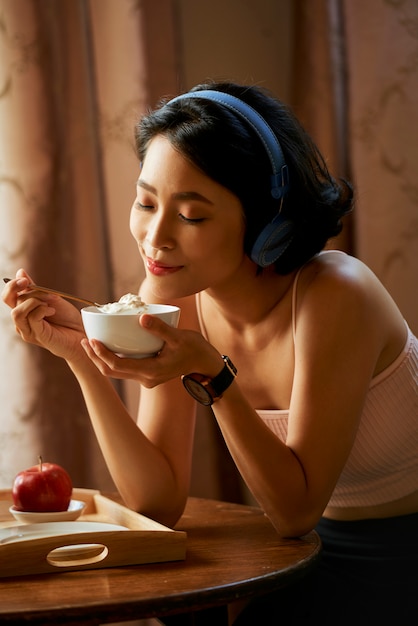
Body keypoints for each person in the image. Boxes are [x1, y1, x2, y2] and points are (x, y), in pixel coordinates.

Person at [2, 81, 417, 624]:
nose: (155, 237)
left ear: (267, 223)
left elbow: (294, 509)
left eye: (192, 216)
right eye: (146, 202)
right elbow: (157, 502)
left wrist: (214, 377)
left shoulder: (336, 293)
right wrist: (80, 355)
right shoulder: (176, 299)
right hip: (312, 551)